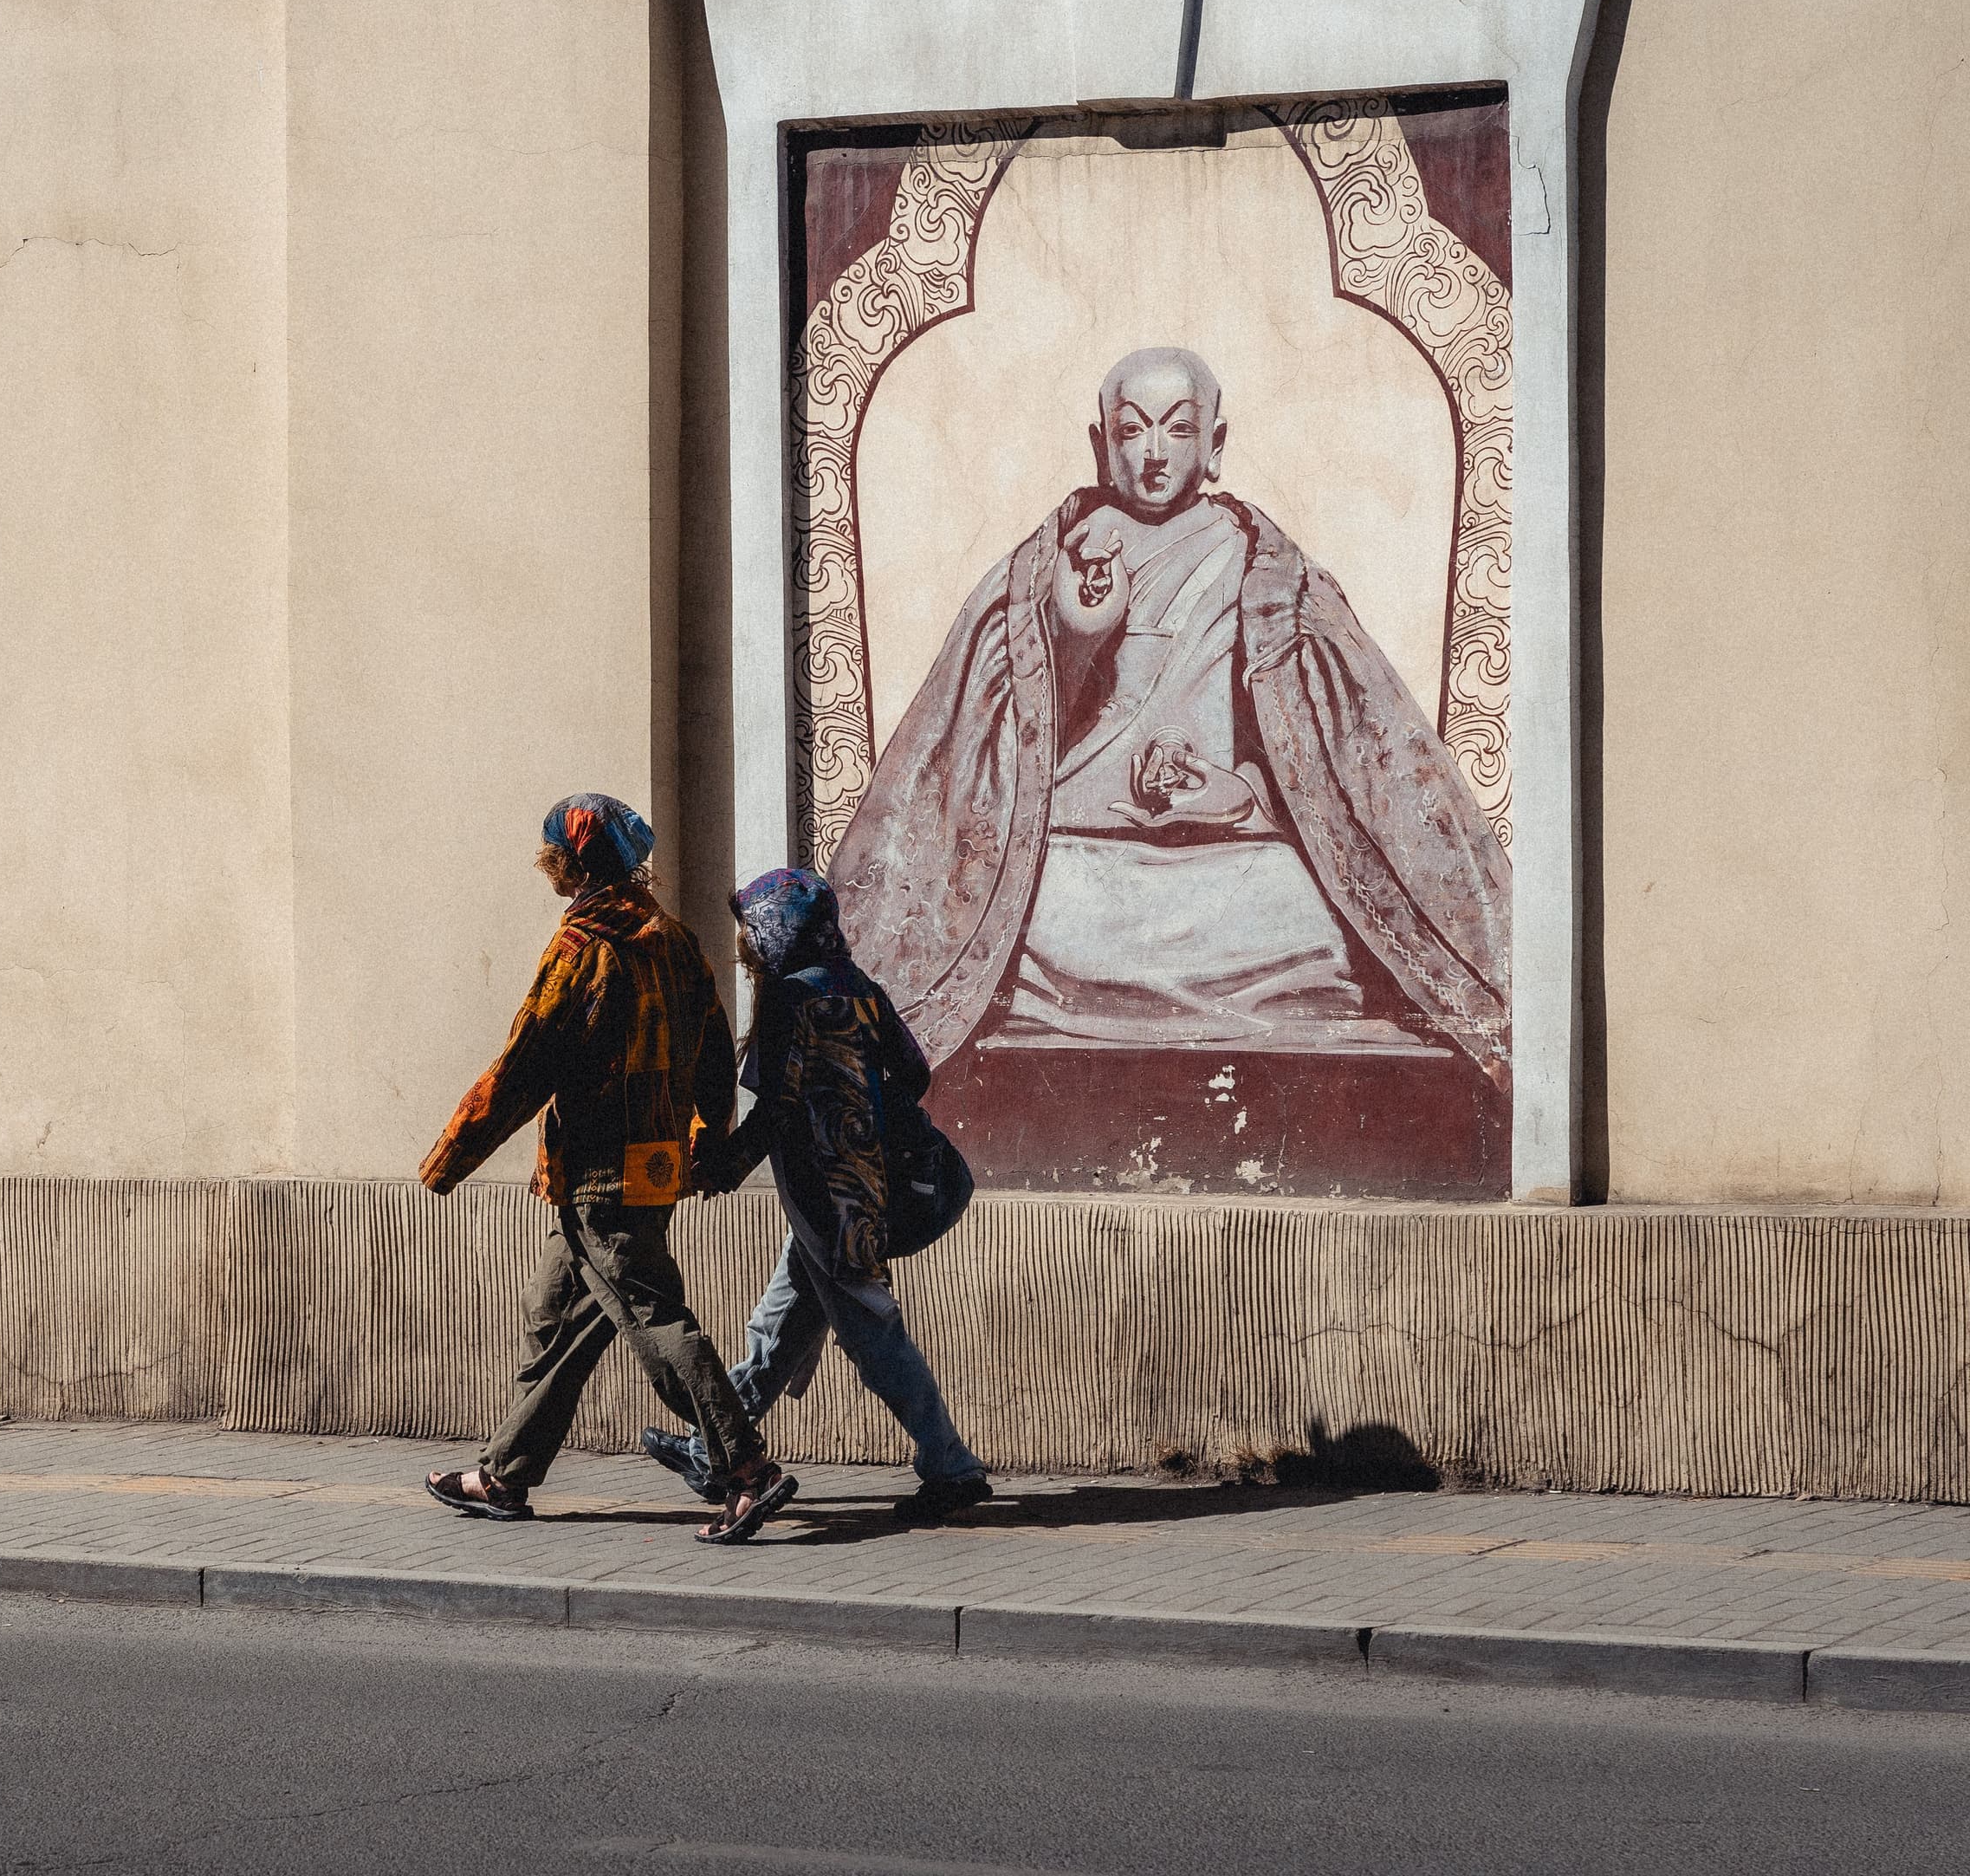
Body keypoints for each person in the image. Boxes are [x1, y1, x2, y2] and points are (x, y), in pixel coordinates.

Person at [833, 347, 1509, 1081]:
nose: (1153, 455)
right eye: (1131, 431)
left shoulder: (1266, 571)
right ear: (1102, 445)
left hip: (1224, 867)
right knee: (1038, 906)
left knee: (1303, 908)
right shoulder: (1049, 565)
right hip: (1082, 860)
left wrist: (1234, 794)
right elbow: (995, 752)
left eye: (1177, 430)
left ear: (1214, 445)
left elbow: (1318, 760)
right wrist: (1074, 639)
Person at [419, 794, 799, 1544]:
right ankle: (506, 1474)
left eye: (552, 856)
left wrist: (450, 1157)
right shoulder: (675, 940)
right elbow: (715, 1055)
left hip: (599, 1176)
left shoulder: (581, 949)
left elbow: (524, 1066)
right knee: (557, 1317)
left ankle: (747, 1471)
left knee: (659, 1322)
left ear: (570, 863)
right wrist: (705, 1138)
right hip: (652, 1166)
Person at [645, 867, 992, 1523]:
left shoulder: (787, 1000)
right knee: (777, 1327)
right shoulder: (858, 987)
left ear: (777, 931)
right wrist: (856, 1118)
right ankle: (710, 1447)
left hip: (826, 1201)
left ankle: (951, 1465)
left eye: (752, 926)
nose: (746, 940)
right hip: (855, 1189)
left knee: (873, 1333)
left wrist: (721, 1169)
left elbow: (775, 1112)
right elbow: (913, 1073)